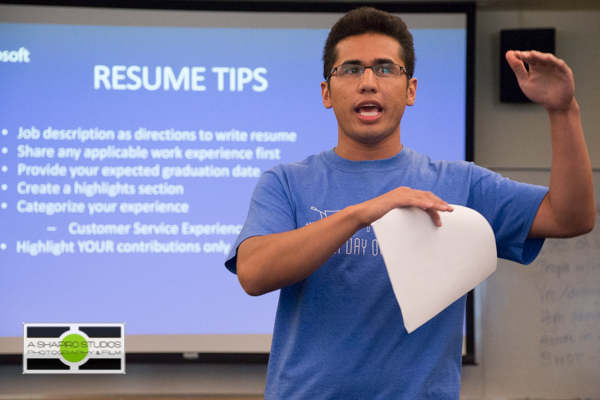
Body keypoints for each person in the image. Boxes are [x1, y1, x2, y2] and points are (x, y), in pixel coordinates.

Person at [224, 7, 595, 399]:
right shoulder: (286, 182)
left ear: (411, 89)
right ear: (326, 93)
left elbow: (571, 217)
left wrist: (562, 111)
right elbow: (254, 272)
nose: (368, 82)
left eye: (385, 69)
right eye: (350, 69)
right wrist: (363, 212)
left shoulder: (458, 183)